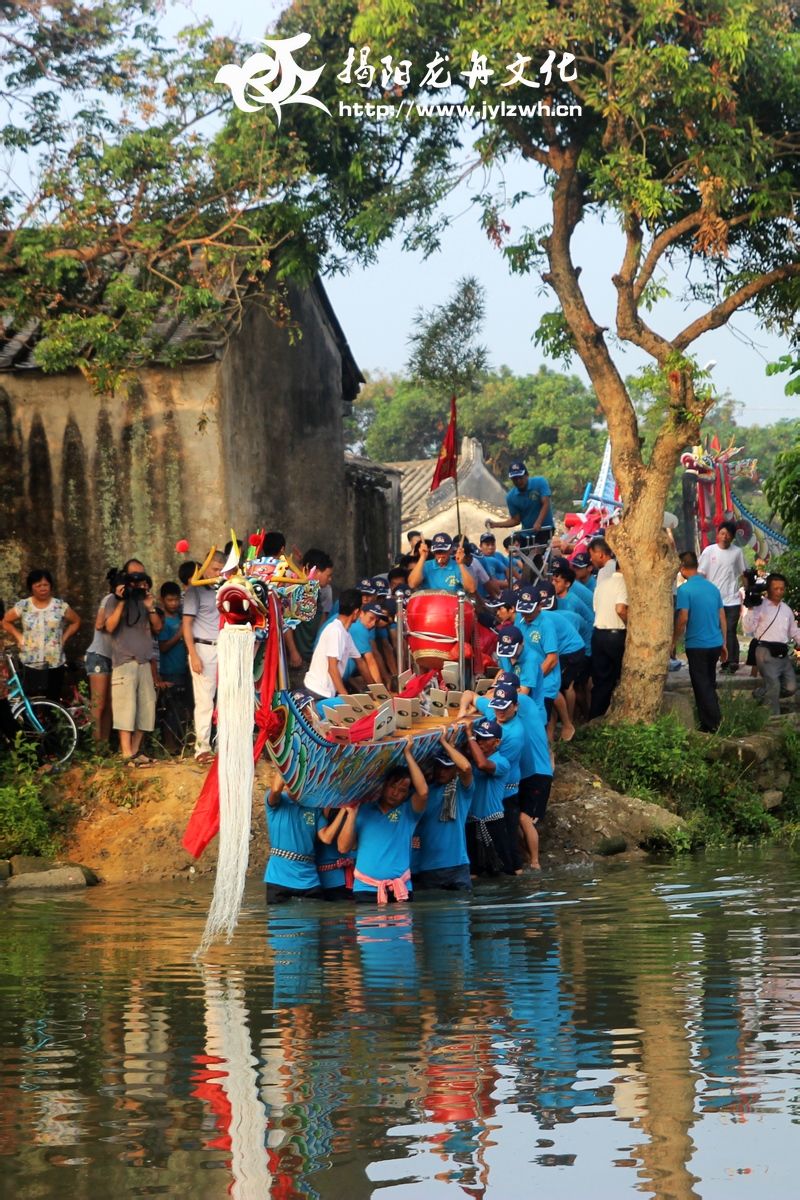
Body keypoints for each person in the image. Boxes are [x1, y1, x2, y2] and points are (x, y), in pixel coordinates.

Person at [337, 738, 428, 903]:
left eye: (401, 790)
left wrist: (407, 754)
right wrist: (351, 813)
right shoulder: (363, 809)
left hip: (401, 889)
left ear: (406, 794)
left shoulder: (408, 812)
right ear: (384, 786)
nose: (395, 793)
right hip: (365, 889)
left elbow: (423, 792)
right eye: (393, 787)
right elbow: (343, 847)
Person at [103, 559, 163, 764]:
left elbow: (158, 629)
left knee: (146, 709)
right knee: (125, 709)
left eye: (142, 576)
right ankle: (126, 753)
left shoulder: (145, 600)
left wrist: (150, 607)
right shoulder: (113, 599)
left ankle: (136, 752)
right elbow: (109, 627)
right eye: (133, 577)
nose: (138, 581)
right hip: (125, 662)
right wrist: (121, 601)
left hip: (145, 662)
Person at [1, 569, 80, 702]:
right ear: (31, 587)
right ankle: (32, 723)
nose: (43, 588)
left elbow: (76, 621)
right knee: (32, 700)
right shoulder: (24, 606)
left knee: (53, 699)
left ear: (51, 586)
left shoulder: (59, 606)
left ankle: (51, 722)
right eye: (38, 585)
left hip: (55, 660)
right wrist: (18, 636)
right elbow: (5, 621)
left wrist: (64, 638)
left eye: (46, 585)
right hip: (31, 661)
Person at [411, 727, 474, 892]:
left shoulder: (461, 790)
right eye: (439, 766)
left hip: (458, 865)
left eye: (447, 767)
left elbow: (466, 768)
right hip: (428, 867)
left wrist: (444, 743)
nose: (441, 771)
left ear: (454, 770)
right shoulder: (424, 792)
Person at [672, 552, 728, 732]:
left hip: (697, 645)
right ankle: (707, 723)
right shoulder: (712, 588)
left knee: (701, 685)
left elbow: (683, 618)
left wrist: (673, 641)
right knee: (709, 682)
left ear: (682, 568)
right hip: (715, 643)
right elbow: (722, 617)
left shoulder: (684, 590)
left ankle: (714, 724)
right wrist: (724, 643)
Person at [182, 548, 225, 764]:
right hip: (202, 649)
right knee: (205, 700)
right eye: (215, 569)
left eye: (221, 569)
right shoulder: (194, 591)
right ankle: (202, 748)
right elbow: (186, 625)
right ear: (205, 568)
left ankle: (222, 745)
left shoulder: (224, 589)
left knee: (224, 699)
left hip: (224, 648)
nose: (218, 573)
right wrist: (193, 654)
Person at [742, 573, 800, 716]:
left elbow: (794, 631)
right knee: (774, 685)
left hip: (782, 651)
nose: (779, 592)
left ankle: (761, 694)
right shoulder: (759, 605)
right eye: (776, 588)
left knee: (791, 687)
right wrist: (750, 608)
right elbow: (748, 628)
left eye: (782, 588)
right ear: (768, 589)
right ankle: (774, 717)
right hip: (764, 650)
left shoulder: (786, 609)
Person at [464, 717, 515, 876]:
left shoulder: (502, 762)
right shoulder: (472, 759)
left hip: (494, 823)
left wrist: (469, 736)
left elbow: (482, 765)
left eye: (485, 739)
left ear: (497, 742)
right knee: (475, 873)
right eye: (478, 737)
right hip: (473, 822)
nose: (480, 742)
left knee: (501, 872)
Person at [303, 588, 370, 703]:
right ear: (356, 612)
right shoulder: (335, 631)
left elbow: (361, 663)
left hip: (325, 692)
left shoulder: (345, 633)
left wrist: (377, 690)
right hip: (318, 692)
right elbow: (332, 668)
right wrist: (346, 698)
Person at [698, 521, 747, 673]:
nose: (725, 537)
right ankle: (714, 659)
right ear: (718, 534)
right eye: (722, 533)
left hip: (731, 599)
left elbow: (744, 572)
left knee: (730, 630)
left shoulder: (737, 552)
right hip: (712, 600)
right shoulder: (708, 551)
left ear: (732, 537)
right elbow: (701, 573)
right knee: (714, 630)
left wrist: (748, 590)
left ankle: (731, 662)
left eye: (728, 535)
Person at [265, 779, 323, 903]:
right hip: (278, 879)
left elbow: (326, 837)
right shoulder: (278, 802)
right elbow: (275, 789)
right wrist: (283, 761)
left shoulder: (314, 807)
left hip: (310, 880)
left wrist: (349, 811)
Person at [589, 551, 628, 719]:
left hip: (598, 635)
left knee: (601, 680)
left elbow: (596, 609)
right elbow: (620, 609)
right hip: (616, 635)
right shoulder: (624, 584)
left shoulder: (602, 584)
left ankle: (595, 717)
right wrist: (632, 623)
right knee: (620, 677)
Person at [84, 567, 117, 742]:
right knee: (99, 705)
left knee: (110, 705)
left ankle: (104, 744)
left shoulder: (126, 603)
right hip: (99, 655)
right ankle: (95, 746)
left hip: (112, 658)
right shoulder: (109, 599)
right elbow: (99, 624)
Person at [488, 461, 554, 547]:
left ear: (527, 475)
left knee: (536, 553)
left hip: (544, 529)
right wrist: (496, 524)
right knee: (510, 544)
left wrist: (539, 522)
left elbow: (546, 503)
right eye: (515, 479)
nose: (518, 481)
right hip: (526, 533)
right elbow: (516, 520)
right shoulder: (511, 497)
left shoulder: (540, 482)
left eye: (520, 477)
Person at [157, 580, 190, 750]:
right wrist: (179, 634)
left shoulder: (180, 616)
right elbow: (163, 647)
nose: (174, 603)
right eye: (170, 600)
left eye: (176, 600)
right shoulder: (162, 622)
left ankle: (180, 743)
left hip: (182, 669)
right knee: (170, 710)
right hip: (168, 671)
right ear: (162, 600)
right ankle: (169, 745)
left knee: (181, 709)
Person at [407, 532, 476, 594]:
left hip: (452, 606)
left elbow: (471, 589)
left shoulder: (457, 566)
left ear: (450, 550)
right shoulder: (426, 565)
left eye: (444, 551)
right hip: (429, 606)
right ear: (433, 551)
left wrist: (461, 564)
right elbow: (412, 584)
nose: (441, 555)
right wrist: (422, 557)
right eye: (438, 552)